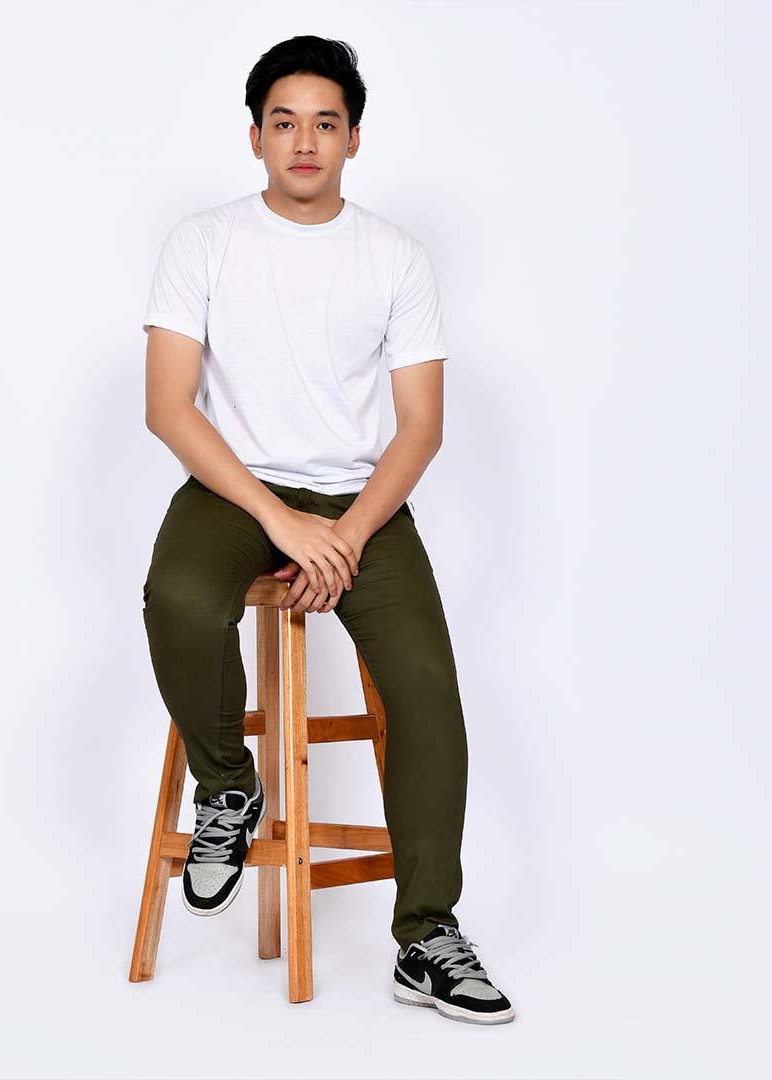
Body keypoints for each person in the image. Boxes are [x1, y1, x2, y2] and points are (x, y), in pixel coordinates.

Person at [140, 35, 515, 1025]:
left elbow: (421, 426)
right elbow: (170, 407)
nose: (304, 141)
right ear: (255, 136)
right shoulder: (201, 242)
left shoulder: (396, 256)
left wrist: (341, 534)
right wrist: (282, 523)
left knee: (425, 684)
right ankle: (230, 789)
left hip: (360, 503)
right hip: (234, 492)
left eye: (325, 123)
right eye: (284, 122)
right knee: (178, 600)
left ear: (353, 138)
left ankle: (427, 936)